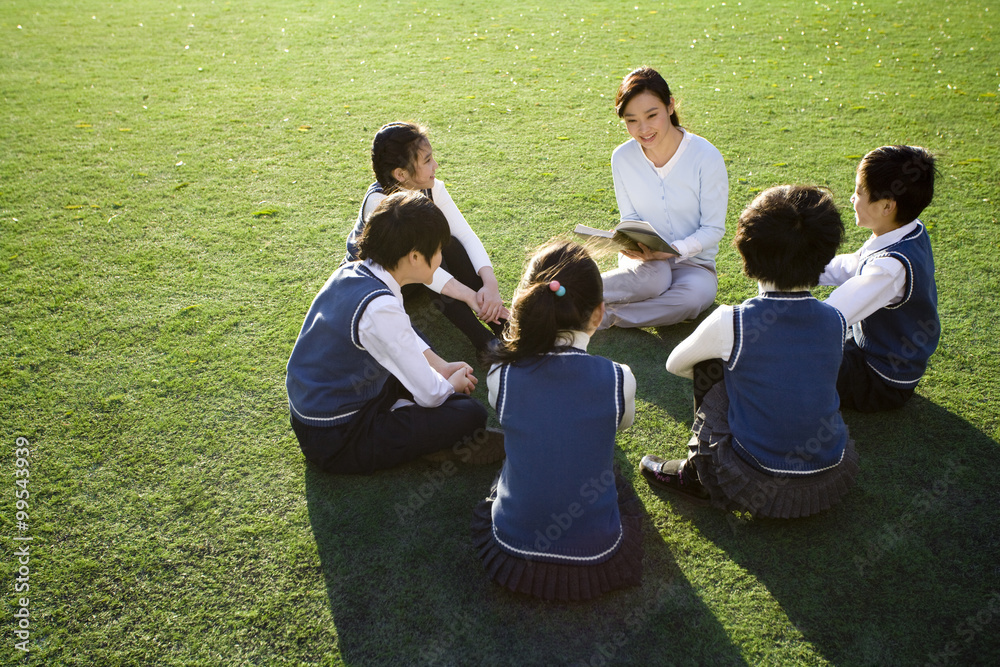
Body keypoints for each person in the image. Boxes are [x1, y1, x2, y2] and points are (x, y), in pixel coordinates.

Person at [640, 186, 860, 518]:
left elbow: (676, 364)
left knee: (711, 365)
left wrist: (740, 377)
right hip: (828, 471)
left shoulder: (734, 320)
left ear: (748, 250)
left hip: (755, 476)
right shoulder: (835, 318)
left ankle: (697, 476)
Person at [471, 241, 643, 601]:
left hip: (513, 548)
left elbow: (510, 417)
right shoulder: (619, 377)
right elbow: (620, 426)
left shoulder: (501, 374)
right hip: (598, 552)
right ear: (598, 314)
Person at [287, 191, 503, 474]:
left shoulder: (357, 271)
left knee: (423, 370)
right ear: (414, 256)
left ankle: (412, 421)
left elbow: (400, 334)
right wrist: (451, 384)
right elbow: (431, 395)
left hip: (326, 404)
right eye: (438, 250)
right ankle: (432, 443)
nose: (441, 257)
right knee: (467, 413)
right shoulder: (380, 306)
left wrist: (441, 366)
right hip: (337, 435)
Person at [345, 121, 507, 354]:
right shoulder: (380, 205)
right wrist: (470, 296)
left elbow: (465, 234)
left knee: (450, 244)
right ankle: (485, 344)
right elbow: (417, 264)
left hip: (417, 273)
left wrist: (490, 285)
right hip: (381, 284)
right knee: (424, 258)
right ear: (400, 174)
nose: (436, 165)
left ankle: (502, 325)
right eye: (427, 161)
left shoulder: (432, 187)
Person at [600, 66, 729, 329]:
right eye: (631, 120)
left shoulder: (706, 156)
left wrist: (672, 252)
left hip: (695, 265)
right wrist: (636, 244)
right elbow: (631, 216)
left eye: (651, 115)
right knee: (655, 279)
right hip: (644, 261)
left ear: (670, 106)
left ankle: (602, 315)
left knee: (693, 299)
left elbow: (713, 229)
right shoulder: (622, 158)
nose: (643, 129)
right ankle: (569, 291)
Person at [820, 145, 939, 412]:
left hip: (880, 378)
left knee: (791, 360)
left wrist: (777, 316)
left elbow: (830, 318)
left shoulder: (889, 268)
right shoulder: (905, 229)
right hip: (870, 345)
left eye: (859, 192)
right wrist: (804, 269)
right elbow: (854, 265)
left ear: (887, 206)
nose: (852, 198)